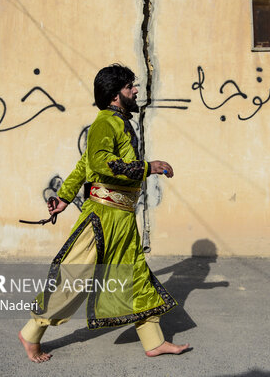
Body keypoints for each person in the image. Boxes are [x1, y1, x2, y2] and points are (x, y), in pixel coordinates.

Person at [18, 64, 189, 363]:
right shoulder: (104, 124)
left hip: (123, 217)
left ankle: (154, 341)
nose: (135, 90)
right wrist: (149, 166)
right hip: (102, 218)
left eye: (133, 85)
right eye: (129, 87)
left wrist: (64, 196)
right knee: (76, 277)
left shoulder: (120, 122)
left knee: (136, 274)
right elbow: (98, 164)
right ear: (113, 95)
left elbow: (84, 164)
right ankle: (31, 334)